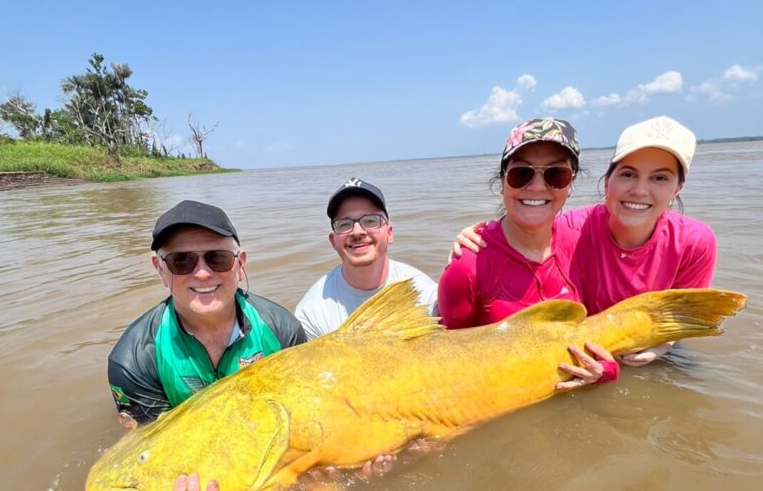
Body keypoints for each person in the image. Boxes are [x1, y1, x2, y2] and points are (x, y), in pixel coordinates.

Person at [452, 115, 716, 366]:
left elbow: (683, 317)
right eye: (628, 174)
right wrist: (477, 238)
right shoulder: (575, 228)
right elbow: (530, 222)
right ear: (608, 180)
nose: (639, 190)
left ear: (677, 188)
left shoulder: (695, 242)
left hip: (652, 347)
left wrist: (663, 346)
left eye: (660, 177)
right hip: (588, 347)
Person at [108, 200, 306, 491]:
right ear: (160, 269)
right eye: (182, 261)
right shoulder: (133, 361)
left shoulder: (281, 329)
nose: (202, 272)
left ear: (239, 264)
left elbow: (303, 419)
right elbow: (146, 456)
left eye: (218, 258)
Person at [438, 118, 618, 388]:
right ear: (502, 181)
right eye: (521, 173)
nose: (536, 186)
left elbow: (605, 338)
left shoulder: (584, 247)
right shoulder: (467, 266)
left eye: (555, 174)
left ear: (570, 184)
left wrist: (604, 372)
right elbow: (443, 369)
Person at [295, 177, 438, 340]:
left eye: (370, 221)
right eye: (344, 224)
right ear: (333, 241)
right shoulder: (311, 312)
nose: (357, 232)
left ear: (390, 233)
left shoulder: (426, 294)